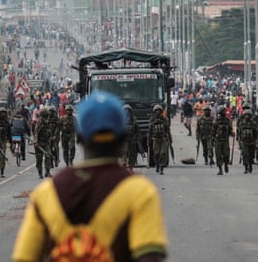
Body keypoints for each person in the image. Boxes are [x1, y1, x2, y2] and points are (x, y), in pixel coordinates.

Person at [12, 91, 168, 262]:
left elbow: (24, 257)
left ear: (79, 138)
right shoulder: (140, 192)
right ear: (123, 138)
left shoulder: (46, 193)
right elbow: (149, 257)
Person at [148, 104, 171, 175]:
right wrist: (148, 140)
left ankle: (161, 168)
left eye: (159, 110)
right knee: (156, 153)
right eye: (156, 110)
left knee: (163, 153)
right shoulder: (152, 120)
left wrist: (169, 139)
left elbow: (167, 130)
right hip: (155, 139)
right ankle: (157, 164)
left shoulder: (165, 119)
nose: (158, 112)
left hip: (163, 139)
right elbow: (150, 130)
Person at [212, 105, 234, 175]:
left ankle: (226, 164)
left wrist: (232, 133)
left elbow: (230, 130)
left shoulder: (228, 121)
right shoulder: (216, 121)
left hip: (225, 140)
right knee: (218, 155)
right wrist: (212, 140)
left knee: (226, 154)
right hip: (218, 140)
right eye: (224, 111)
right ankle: (220, 169)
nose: (225, 112)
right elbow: (213, 131)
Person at [33, 108, 53, 178]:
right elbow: (36, 133)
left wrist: (51, 138)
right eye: (45, 116)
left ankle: (47, 171)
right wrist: (36, 142)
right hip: (39, 143)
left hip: (46, 143)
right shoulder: (39, 123)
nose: (47, 117)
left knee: (48, 156)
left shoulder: (48, 123)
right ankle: (40, 172)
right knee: (39, 159)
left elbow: (50, 132)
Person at [238, 110, 258, 174]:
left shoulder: (253, 124)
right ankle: (246, 167)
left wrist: (256, 142)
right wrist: (239, 143)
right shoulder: (242, 124)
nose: (247, 116)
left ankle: (250, 165)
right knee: (245, 155)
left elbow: (256, 133)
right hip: (244, 142)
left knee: (251, 155)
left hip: (252, 142)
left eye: (248, 115)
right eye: (246, 115)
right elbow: (239, 134)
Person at [123, 104, 141, 170]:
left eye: (128, 110)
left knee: (132, 152)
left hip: (132, 138)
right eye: (125, 110)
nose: (127, 111)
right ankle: (124, 164)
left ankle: (131, 165)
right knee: (124, 152)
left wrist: (139, 137)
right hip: (124, 139)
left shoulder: (133, 119)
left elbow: (137, 129)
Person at [0, 108, 12, 178]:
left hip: (3, 141)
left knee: (2, 156)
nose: (3, 114)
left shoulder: (7, 123)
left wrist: (11, 143)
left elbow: (9, 133)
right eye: (2, 113)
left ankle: (2, 171)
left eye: (4, 113)